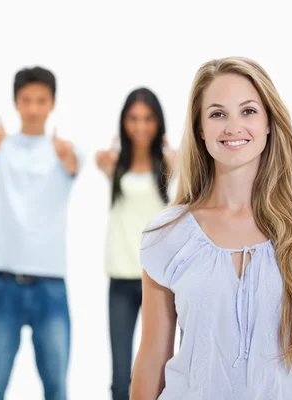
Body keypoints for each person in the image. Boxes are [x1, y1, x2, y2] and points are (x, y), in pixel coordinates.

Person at [129, 57, 292, 400]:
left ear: (269, 122)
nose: (233, 127)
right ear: (201, 129)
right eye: (217, 114)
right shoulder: (168, 235)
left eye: (248, 111)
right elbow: (153, 357)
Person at [0, 66, 83, 400]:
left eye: (41, 100)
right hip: (4, 282)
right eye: (26, 100)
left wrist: (68, 156)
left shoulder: (65, 151)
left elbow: (74, 165)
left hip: (50, 284)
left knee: (56, 387)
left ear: (52, 103)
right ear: (15, 103)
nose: (34, 108)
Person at [95, 88, 175, 400]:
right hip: (121, 278)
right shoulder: (112, 164)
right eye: (133, 118)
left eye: (147, 119)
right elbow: (97, 159)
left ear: (158, 122)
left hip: (160, 280)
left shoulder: (171, 164)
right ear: (123, 122)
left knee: (163, 369)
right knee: (119, 375)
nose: (140, 126)